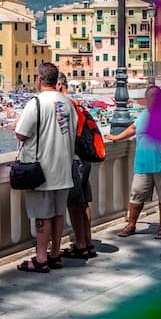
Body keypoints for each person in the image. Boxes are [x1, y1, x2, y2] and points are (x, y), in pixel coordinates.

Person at [15, 62, 77, 273]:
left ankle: (41, 258)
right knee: (58, 214)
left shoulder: (36, 103)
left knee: (43, 216)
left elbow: (21, 133)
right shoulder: (68, 103)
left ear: (40, 79)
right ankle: (55, 254)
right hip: (64, 169)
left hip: (41, 170)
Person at [104, 84, 161, 239]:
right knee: (136, 195)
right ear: (146, 99)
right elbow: (132, 129)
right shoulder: (143, 114)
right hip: (142, 164)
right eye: (151, 96)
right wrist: (116, 137)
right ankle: (131, 225)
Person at [57, 72, 97, 259]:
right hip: (85, 159)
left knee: (73, 203)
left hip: (75, 160)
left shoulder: (64, 105)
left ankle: (80, 244)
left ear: (59, 85)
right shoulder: (77, 103)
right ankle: (88, 243)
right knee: (83, 202)